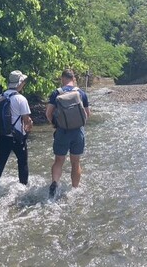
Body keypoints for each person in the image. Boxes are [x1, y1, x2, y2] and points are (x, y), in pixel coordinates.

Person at [0, 70, 33, 197]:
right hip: (17, 137)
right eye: (23, 81)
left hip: (2, 136)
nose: (24, 83)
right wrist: (30, 124)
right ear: (19, 83)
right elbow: (26, 120)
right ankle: (23, 191)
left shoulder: (0, 97)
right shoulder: (21, 99)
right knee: (22, 162)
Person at [45, 69, 90, 197]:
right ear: (73, 78)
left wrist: (55, 124)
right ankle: (75, 190)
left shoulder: (56, 93)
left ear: (62, 79)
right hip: (78, 132)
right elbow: (87, 115)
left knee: (59, 160)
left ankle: (54, 183)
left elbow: (48, 113)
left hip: (62, 131)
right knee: (75, 162)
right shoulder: (81, 93)